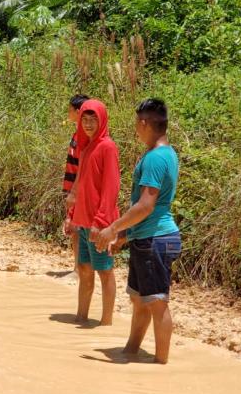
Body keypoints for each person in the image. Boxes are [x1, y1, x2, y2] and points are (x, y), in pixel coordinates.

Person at [93, 99, 181, 364]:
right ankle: (131, 351)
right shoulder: (167, 153)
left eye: (136, 123)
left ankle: (161, 363)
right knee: (141, 301)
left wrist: (112, 229)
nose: (135, 128)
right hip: (148, 238)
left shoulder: (155, 158)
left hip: (155, 238)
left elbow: (145, 206)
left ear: (144, 123)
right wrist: (124, 236)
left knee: (156, 302)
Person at [66, 99, 120, 326]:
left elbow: (111, 187)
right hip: (83, 219)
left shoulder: (107, 147)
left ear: (102, 120)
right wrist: (71, 213)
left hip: (100, 222)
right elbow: (80, 182)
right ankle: (81, 316)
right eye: (84, 120)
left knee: (104, 271)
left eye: (93, 120)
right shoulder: (86, 146)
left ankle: (106, 322)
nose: (88, 124)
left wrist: (102, 222)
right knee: (85, 270)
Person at [62, 94, 89, 271]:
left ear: (78, 112)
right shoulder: (77, 134)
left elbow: (83, 165)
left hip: (77, 189)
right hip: (73, 188)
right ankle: (78, 267)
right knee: (74, 227)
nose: (68, 113)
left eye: (70, 109)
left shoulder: (84, 136)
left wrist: (74, 192)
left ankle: (79, 269)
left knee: (77, 228)